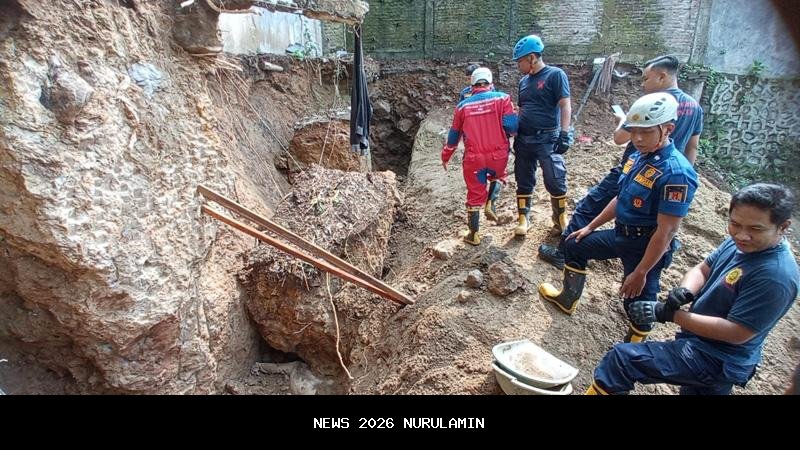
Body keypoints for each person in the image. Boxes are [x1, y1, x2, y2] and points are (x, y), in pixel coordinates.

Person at [585, 183, 798, 395]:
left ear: (783, 227)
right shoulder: (741, 243)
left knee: (623, 360)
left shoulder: (775, 276)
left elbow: (737, 332)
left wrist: (669, 314)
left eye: (755, 229)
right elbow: (703, 269)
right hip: (704, 343)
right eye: (735, 224)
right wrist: (686, 290)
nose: (742, 234)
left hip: (717, 357)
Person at [538, 92, 698, 343]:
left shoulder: (676, 173)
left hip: (647, 246)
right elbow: (620, 198)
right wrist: (590, 227)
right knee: (574, 244)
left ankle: (633, 348)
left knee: (638, 306)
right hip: (621, 234)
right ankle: (567, 298)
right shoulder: (637, 157)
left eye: (645, 132)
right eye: (634, 131)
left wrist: (641, 271)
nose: (637, 138)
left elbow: (666, 232)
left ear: (668, 129)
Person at [539, 55, 704, 269]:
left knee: (589, 206)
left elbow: (619, 138)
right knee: (655, 225)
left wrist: (622, 123)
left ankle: (564, 252)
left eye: (646, 79)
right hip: (663, 177)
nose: (643, 85)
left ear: (662, 76)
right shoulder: (694, 107)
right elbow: (692, 147)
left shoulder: (649, 106)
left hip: (634, 168)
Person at [442, 67, 518, 245]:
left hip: (474, 158)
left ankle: (473, 235)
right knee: (499, 176)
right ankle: (491, 202)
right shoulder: (503, 98)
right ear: (490, 83)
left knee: (475, 193)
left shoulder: (463, 106)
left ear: (472, 85)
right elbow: (511, 127)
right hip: (498, 154)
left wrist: (446, 155)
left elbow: (454, 135)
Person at [511, 35, 573, 237]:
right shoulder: (523, 82)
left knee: (555, 178)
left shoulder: (555, 75)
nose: (518, 65)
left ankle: (560, 217)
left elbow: (565, 104)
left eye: (519, 61)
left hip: (547, 137)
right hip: (524, 138)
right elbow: (523, 108)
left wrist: (564, 133)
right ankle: (523, 217)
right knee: (523, 178)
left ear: (531, 58)